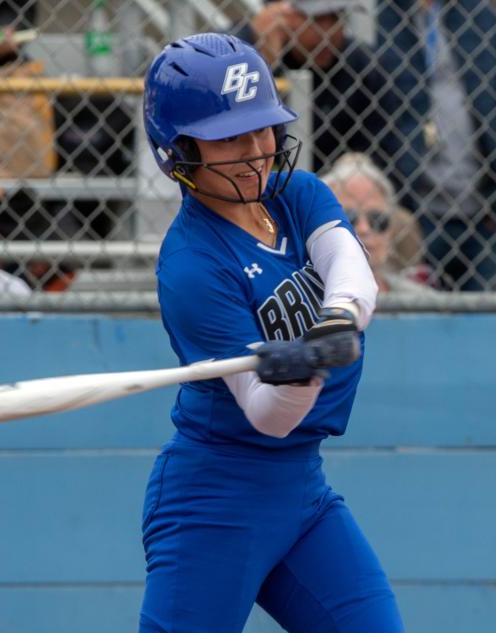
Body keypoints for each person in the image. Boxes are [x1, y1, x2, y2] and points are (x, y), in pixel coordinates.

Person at [139, 33, 404, 632]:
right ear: (178, 151)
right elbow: (268, 414)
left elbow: (353, 274)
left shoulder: (296, 194)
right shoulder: (191, 267)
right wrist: (305, 369)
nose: (257, 149)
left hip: (302, 492)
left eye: (262, 128)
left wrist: (332, 323)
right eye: (230, 136)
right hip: (214, 502)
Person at [376, 0, 496, 291]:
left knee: (479, 325)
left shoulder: (478, 14)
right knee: (415, 319)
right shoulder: (383, 17)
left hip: (480, 213)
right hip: (414, 210)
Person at [234, 0, 398, 174]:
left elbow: (383, 153)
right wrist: (267, 62)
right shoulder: (236, 52)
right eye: (315, 20)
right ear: (278, 14)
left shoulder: (362, 64)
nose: (328, 33)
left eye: (336, 17)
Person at [321, 152, 438, 292]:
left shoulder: (421, 301)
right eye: (348, 218)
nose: (364, 229)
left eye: (377, 219)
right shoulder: (298, 303)